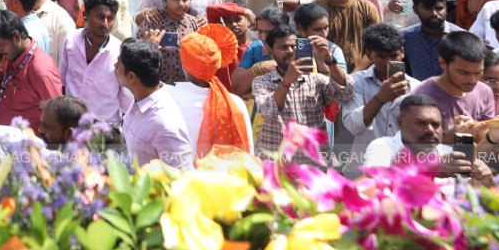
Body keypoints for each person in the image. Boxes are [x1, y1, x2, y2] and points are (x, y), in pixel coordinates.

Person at [252, 23, 352, 159]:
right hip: (276, 164)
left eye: (294, 46)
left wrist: (329, 60)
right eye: (283, 47)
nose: (290, 51)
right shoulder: (262, 82)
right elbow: (267, 111)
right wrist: (287, 81)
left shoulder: (315, 80)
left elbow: (346, 93)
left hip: (312, 163)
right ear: (270, 50)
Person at [165, 29, 251, 159]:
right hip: (228, 176)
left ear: (185, 64)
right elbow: (248, 150)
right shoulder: (235, 102)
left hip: (181, 176)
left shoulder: (166, 95)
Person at [340, 23, 411, 174]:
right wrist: (380, 98)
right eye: (381, 56)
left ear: (402, 53)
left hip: (402, 173)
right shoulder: (355, 82)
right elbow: (353, 125)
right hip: (361, 171)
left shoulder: (416, 87)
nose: (387, 62)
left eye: (393, 56)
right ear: (370, 55)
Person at [117, 37, 194, 169]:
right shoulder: (139, 100)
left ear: (131, 76)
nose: (114, 67)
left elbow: (183, 179)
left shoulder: (165, 125)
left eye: (118, 64)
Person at [0, 9, 63, 133]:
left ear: (17, 37)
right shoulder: (12, 55)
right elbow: (4, 89)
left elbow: (57, 114)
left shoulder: (41, 70)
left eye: (0, 45)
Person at [135, 0, 206, 85]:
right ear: (164, 0)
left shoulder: (195, 24)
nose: (181, 4)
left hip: (187, 86)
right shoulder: (152, 23)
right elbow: (136, 53)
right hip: (157, 85)